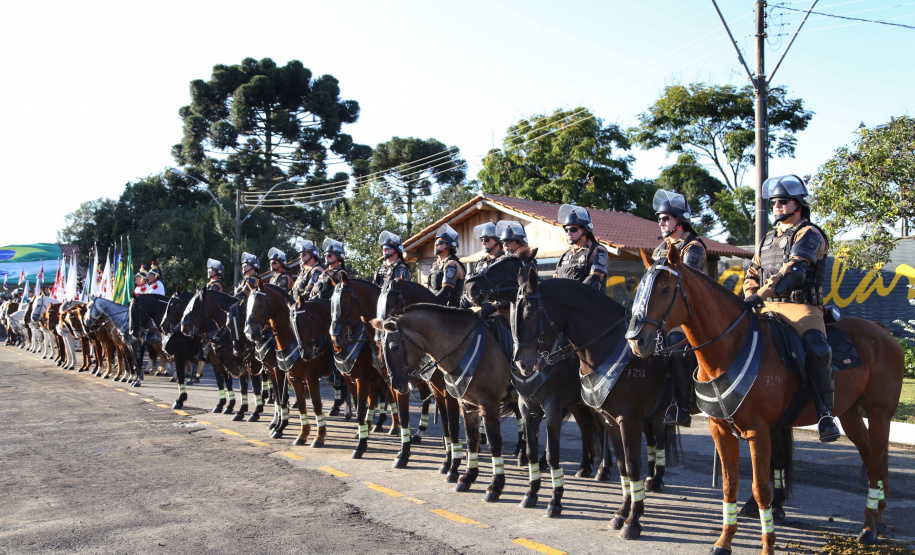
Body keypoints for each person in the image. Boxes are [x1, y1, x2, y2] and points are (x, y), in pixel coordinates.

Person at [743, 174, 839, 442]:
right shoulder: (766, 240)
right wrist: (751, 294)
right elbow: (752, 272)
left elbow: (795, 268)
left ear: (798, 205)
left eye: (782, 201)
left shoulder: (810, 233)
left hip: (801, 308)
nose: (776, 206)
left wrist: (762, 293)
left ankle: (825, 415)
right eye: (773, 201)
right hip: (766, 306)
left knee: (818, 349)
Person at [651, 189, 708, 427]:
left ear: (680, 221)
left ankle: (683, 406)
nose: (661, 222)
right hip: (663, 313)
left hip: (689, 313)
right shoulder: (659, 249)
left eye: (666, 218)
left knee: (676, 349)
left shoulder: (693, 247)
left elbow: (684, 281)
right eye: (660, 218)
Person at [554, 204, 609, 292]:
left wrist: (573, 296)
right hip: (564, 304)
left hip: (590, 304)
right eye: (566, 229)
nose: (569, 233)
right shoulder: (565, 255)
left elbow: (595, 278)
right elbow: (556, 282)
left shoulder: (598, 251)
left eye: (573, 229)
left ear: (586, 229)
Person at [424, 223, 465, 307]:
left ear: (449, 246)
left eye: (440, 242)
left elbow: (447, 290)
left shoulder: (451, 264)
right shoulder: (435, 265)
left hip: (448, 311)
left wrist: (429, 304)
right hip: (435, 309)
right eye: (435, 242)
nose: (436, 245)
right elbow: (426, 288)